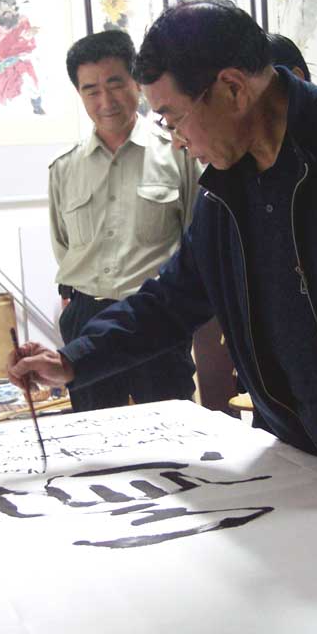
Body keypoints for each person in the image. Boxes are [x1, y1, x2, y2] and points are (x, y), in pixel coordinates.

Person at [9, 0, 317, 517]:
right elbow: (170, 300)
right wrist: (72, 360)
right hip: (307, 453)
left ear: (233, 89)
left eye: (174, 117)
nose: (177, 141)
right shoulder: (224, 191)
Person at [48, 30, 202, 410]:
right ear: (79, 94)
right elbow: (64, 246)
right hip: (86, 317)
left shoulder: (179, 154)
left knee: (171, 427)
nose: (106, 101)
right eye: (91, 90)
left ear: (136, 82)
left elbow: (196, 239)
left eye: (115, 84)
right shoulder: (64, 169)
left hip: (155, 314)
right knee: (93, 433)